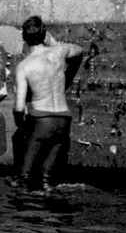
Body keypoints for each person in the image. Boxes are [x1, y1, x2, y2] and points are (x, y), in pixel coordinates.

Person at [13, 15, 83, 191]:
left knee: (24, 180)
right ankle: (51, 214)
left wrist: (21, 125)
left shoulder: (24, 66)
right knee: (48, 181)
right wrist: (67, 79)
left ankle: (26, 215)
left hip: (41, 120)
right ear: (45, 34)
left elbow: (19, 107)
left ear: (24, 38)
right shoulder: (59, 52)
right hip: (64, 119)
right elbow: (80, 51)